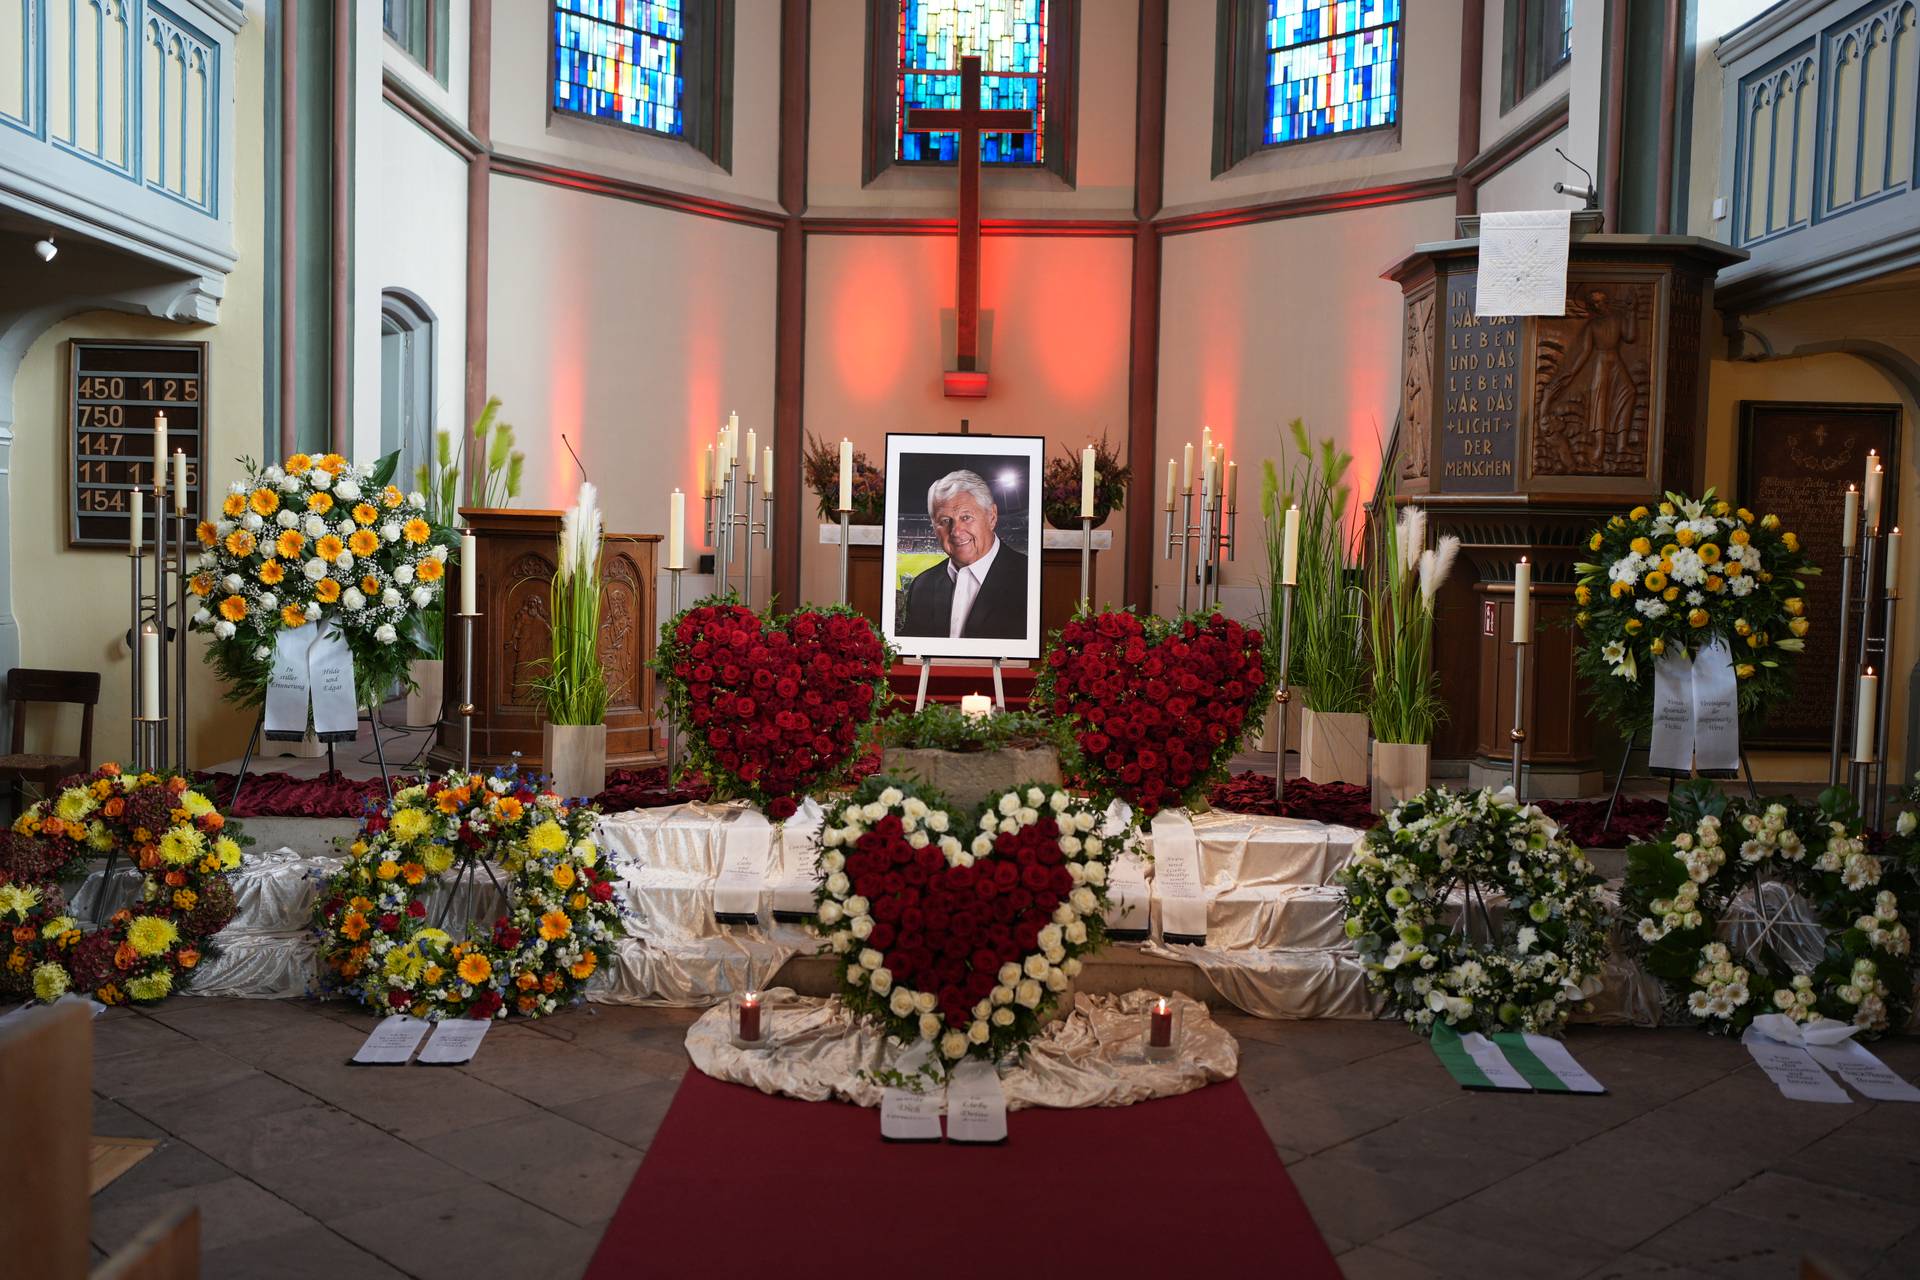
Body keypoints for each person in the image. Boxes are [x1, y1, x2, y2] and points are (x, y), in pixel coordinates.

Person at [898, 468, 1029, 641]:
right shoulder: (922, 586)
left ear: (992, 517)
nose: (956, 531)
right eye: (945, 521)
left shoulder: (1028, 578)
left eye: (966, 517)